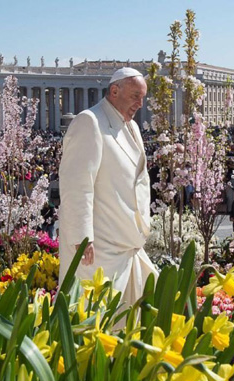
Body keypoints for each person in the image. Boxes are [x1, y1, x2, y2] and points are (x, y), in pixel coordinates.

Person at [59, 68, 158, 311]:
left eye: (143, 98)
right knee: (94, 324)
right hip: (99, 248)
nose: (140, 103)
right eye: (135, 96)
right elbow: (77, 186)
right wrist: (83, 238)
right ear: (114, 91)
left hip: (127, 242)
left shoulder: (132, 127)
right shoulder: (89, 122)